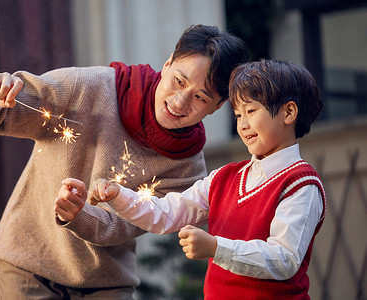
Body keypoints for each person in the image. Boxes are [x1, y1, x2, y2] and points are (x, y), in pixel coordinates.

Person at [0, 24, 248, 299]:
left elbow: (118, 226)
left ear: (218, 106)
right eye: (179, 81)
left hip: (106, 285)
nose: (181, 101)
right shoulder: (87, 88)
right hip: (24, 266)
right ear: (168, 62)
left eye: (199, 97)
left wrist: (78, 214)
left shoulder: (187, 169)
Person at [59, 60, 326, 299]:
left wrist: (216, 247)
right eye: (238, 114)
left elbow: (285, 259)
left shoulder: (301, 184)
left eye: (252, 111)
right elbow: (166, 213)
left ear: (289, 113)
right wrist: (119, 195)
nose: (242, 124)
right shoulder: (225, 177)